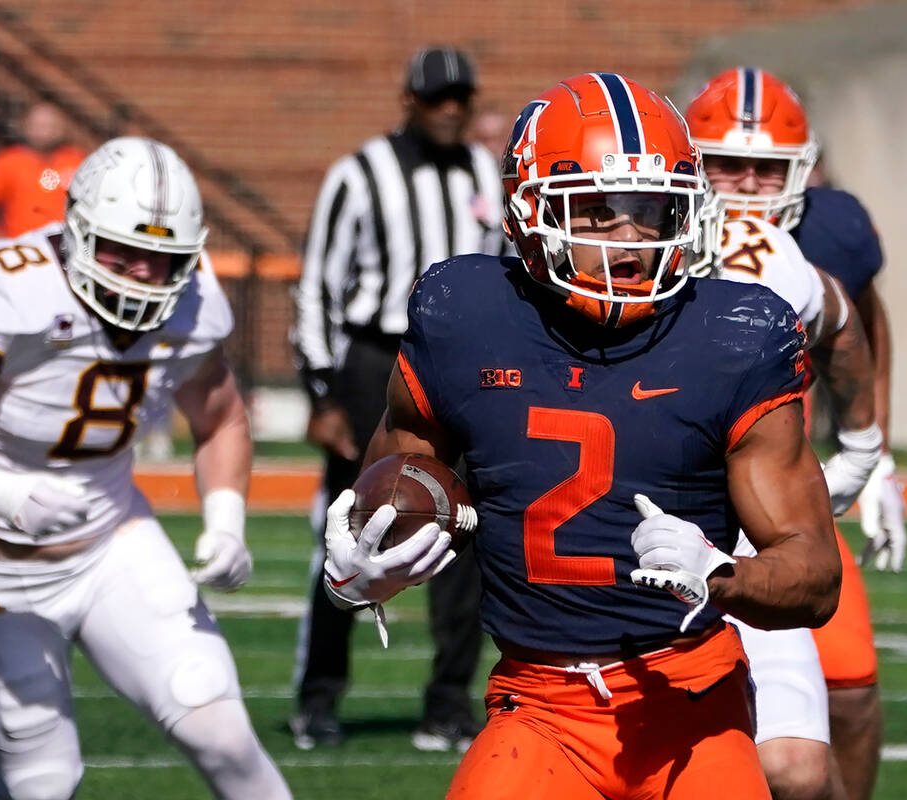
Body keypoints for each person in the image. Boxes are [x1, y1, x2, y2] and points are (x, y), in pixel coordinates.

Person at [321, 72, 842, 799]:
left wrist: (722, 575)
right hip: (537, 709)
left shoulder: (734, 336)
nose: (632, 242)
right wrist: (364, 565)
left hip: (689, 699)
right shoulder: (465, 314)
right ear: (526, 213)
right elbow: (402, 470)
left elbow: (816, 573)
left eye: (655, 212)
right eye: (598, 212)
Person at [0, 137, 291, 800]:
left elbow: (220, 417)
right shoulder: (10, 289)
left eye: (161, 260)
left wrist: (225, 521)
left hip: (111, 544)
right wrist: (0, 493)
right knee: (39, 780)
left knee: (217, 724)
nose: (139, 276)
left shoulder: (191, 301)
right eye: (120, 252)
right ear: (74, 230)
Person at [686, 66, 906, 800]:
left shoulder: (830, 231)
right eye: (727, 164)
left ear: (801, 172)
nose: (747, 185)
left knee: (849, 688)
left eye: (767, 168)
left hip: (781, 491)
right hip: (672, 493)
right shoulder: (646, 229)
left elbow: (863, 327)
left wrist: (875, 458)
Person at [290, 45, 507, 752]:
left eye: (461, 99)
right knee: (352, 523)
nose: (450, 110)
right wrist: (321, 390)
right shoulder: (359, 174)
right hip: (378, 358)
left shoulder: (485, 171)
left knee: (461, 528)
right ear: (409, 101)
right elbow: (320, 283)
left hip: (465, 362)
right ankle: (318, 697)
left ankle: (447, 704)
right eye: (438, 98)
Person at [0, 101, 87, 242]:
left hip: (65, 246)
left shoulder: (77, 161)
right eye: (39, 126)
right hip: (21, 246)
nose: (44, 131)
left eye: (50, 126)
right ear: (25, 127)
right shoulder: (8, 161)